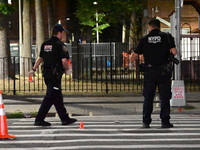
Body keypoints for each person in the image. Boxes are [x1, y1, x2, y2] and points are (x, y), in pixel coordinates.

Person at [130, 19, 177, 128]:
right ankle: (165, 121)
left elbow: (133, 57)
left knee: (148, 97)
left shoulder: (144, 39)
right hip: (163, 71)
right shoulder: (167, 37)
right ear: (159, 26)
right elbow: (174, 52)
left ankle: (146, 121)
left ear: (150, 27)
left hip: (150, 71)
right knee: (164, 97)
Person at [29, 24, 77, 126]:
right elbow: (64, 60)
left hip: (46, 74)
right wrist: (67, 70)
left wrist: (34, 68)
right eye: (62, 32)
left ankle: (65, 118)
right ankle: (39, 119)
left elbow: (40, 58)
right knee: (50, 97)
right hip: (55, 75)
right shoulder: (60, 45)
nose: (63, 34)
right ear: (59, 33)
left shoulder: (45, 44)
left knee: (57, 97)